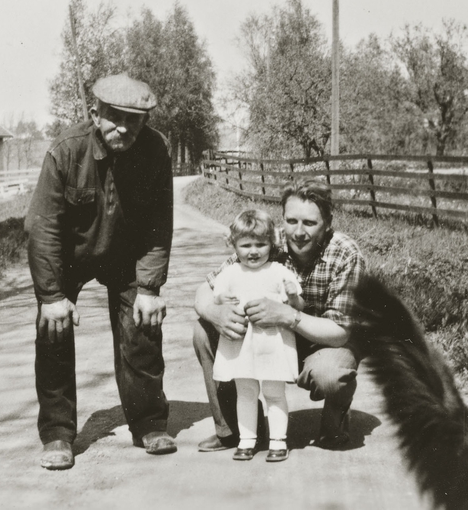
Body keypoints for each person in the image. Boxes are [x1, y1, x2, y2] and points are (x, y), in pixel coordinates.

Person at [26, 74, 175, 471]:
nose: (123, 128)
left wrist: (150, 286)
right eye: (114, 117)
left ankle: (148, 422)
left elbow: (159, 222)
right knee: (52, 328)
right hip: (70, 255)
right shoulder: (66, 151)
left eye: (134, 120)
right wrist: (52, 297)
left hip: (126, 253)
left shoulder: (156, 150)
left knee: (143, 328)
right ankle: (57, 432)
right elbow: (42, 227)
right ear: (95, 113)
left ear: (145, 121)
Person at [193, 178, 365, 453]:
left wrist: (288, 315)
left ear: (328, 223)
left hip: (323, 343)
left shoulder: (345, 253)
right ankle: (234, 431)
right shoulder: (266, 242)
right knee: (203, 331)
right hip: (270, 341)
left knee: (331, 375)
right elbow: (204, 291)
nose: (298, 232)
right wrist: (216, 312)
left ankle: (335, 422)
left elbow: (340, 331)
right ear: (282, 219)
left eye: (310, 223)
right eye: (291, 221)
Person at [210, 209, 304, 462]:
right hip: (241, 345)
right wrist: (221, 299)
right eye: (246, 245)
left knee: (274, 393)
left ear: (271, 244)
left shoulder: (278, 271)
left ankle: (278, 441)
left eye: (260, 244)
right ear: (234, 245)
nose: (253, 251)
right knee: (246, 393)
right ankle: (247, 440)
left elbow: (297, 305)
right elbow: (217, 295)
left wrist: (293, 295)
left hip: (272, 343)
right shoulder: (231, 272)